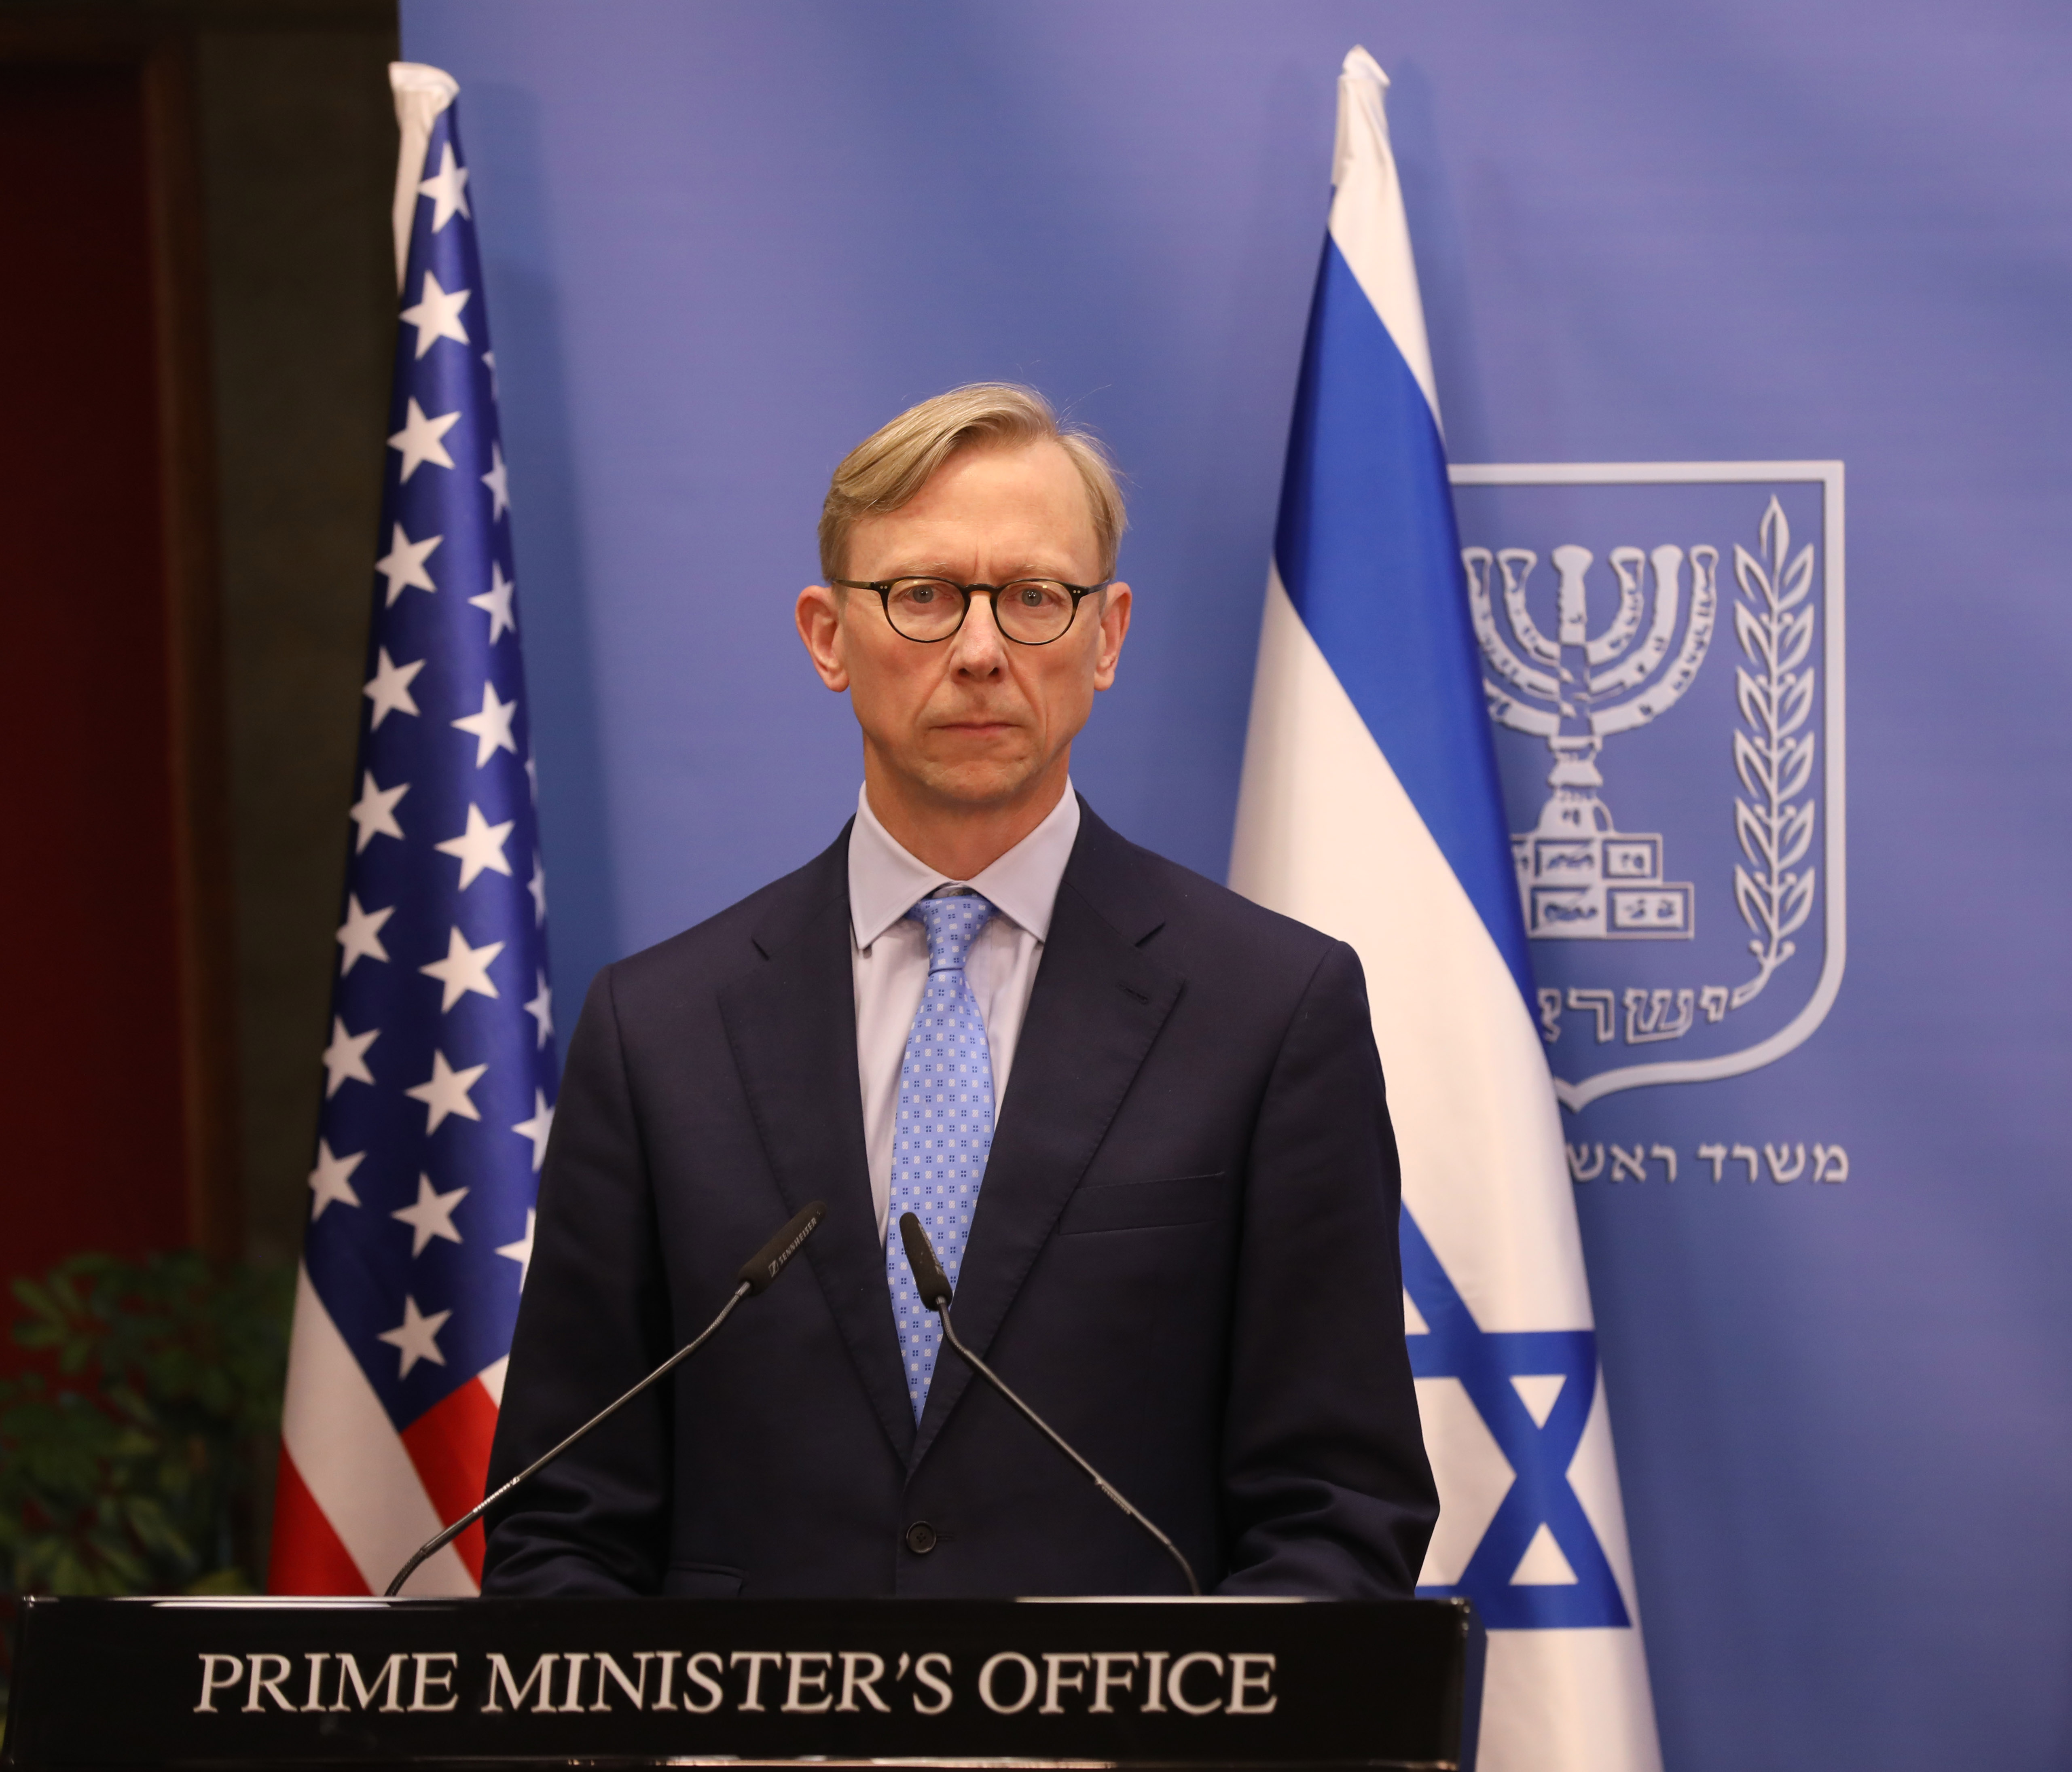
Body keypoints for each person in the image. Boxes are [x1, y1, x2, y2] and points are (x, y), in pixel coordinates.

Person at [480, 384, 1437, 1598]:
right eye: (923, 596)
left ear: (1108, 636)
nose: (981, 651)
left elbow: (1339, 1518)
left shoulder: (1268, 1011)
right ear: (828, 636)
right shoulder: (658, 1032)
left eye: (1035, 597)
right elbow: (561, 1525)